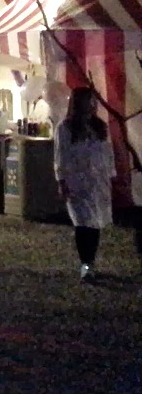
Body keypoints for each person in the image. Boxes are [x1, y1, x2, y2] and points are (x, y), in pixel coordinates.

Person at [53, 87, 115, 282]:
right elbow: (60, 156)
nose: (91, 105)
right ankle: (85, 263)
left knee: (95, 222)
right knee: (82, 223)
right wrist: (61, 181)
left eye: (93, 102)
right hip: (77, 182)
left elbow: (107, 153)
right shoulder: (65, 128)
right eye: (87, 101)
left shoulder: (99, 127)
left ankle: (91, 262)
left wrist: (111, 175)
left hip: (98, 182)